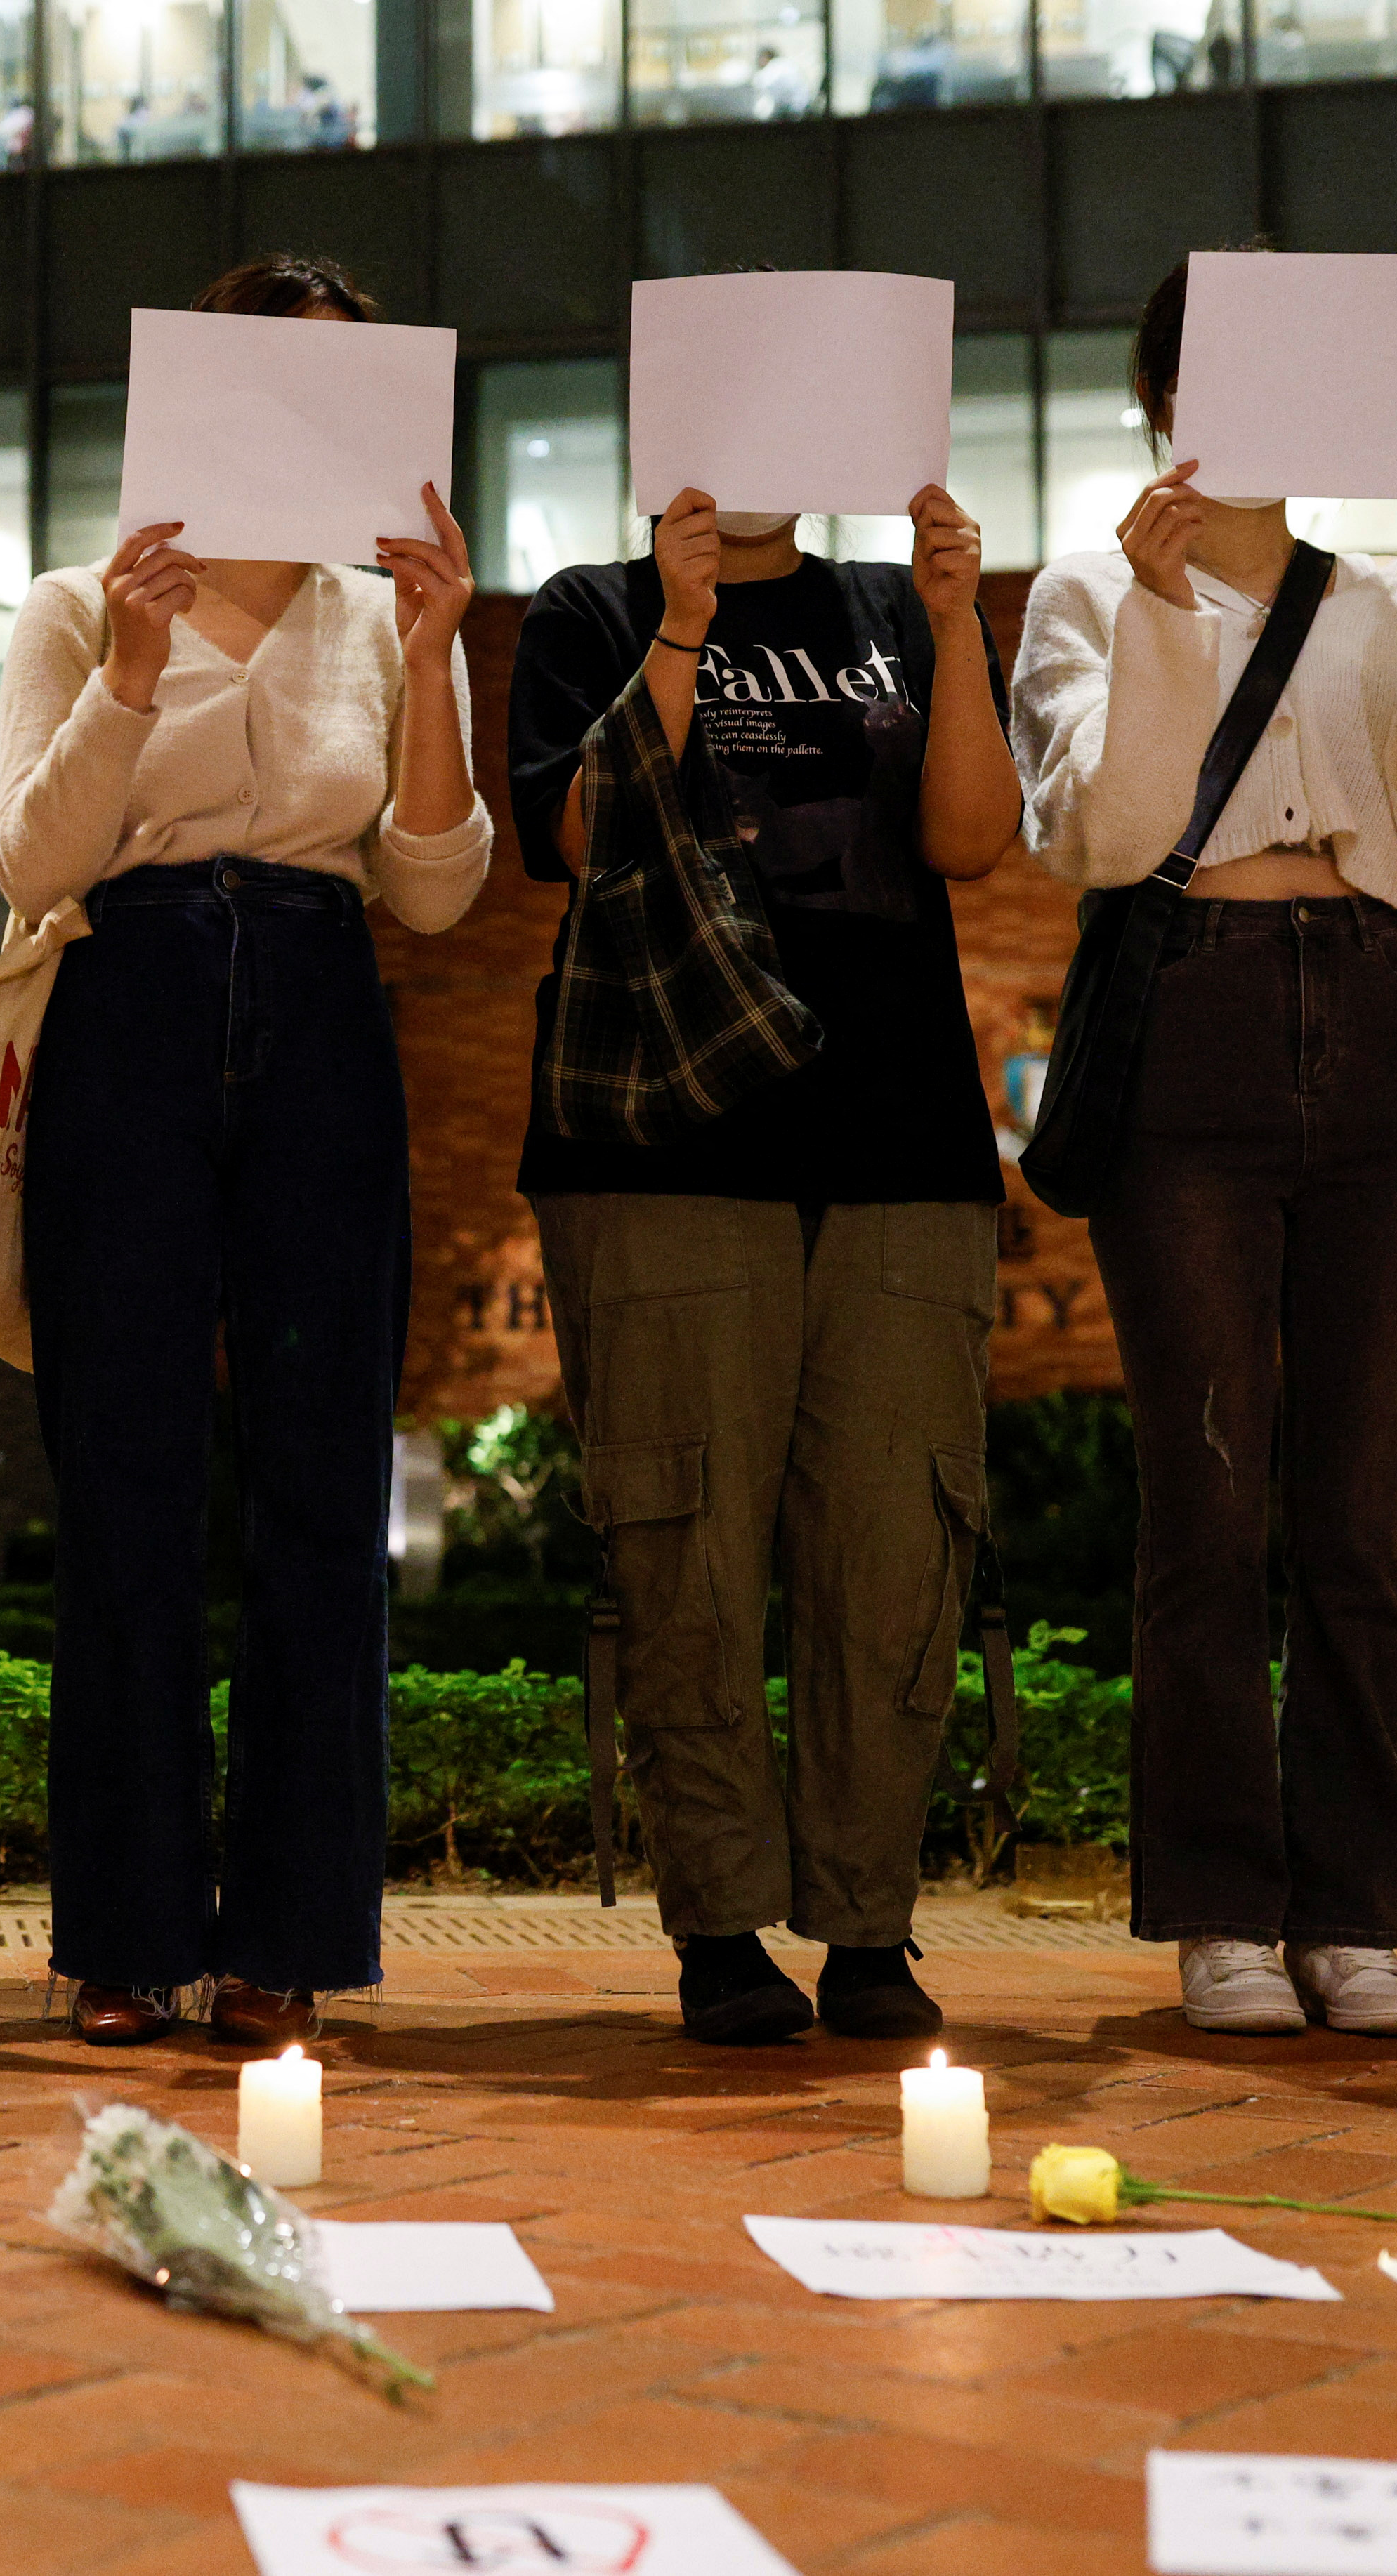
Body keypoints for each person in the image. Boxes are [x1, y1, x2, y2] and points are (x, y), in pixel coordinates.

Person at [1013, 249, 1397, 2039]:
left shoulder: (1385, 592)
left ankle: (1355, 1916)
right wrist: (1158, 615)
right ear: (1160, 396)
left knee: (1355, 1512)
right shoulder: (1088, 587)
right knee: (1208, 1495)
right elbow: (1094, 830)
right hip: (1196, 1017)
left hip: (1379, 1014)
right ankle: (1222, 1911)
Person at [0, 252, 491, 2049]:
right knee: (123, 1480)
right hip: (125, 1000)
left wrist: (435, 662)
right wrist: (129, 671)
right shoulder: (82, 597)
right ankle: (123, 1936)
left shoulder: (375, 617)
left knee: (316, 1476)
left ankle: (288, 1932)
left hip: (317, 997)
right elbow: (28, 869)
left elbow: (436, 884)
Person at [506, 484, 1019, 2047]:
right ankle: (716, 1927)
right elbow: (577, 832)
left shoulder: (887, 605)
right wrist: (676, 623)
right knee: (685, 1545)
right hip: (666, 1134)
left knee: (890, 1548)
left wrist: (949, 622)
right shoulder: (587, 606)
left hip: (899, 1132)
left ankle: (867, 1924)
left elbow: (972, 839)